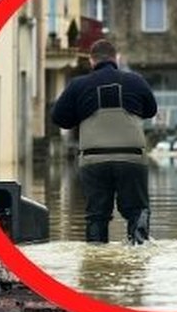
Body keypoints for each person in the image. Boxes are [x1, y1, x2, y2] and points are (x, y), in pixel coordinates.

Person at [51, 39, 157, 244]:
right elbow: (151, 110)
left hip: (94, 160)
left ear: (91, 61)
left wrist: (80, 115)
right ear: (116, 58)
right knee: (137, 211)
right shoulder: (136, 81)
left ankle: (96, 257)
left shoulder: (78, 85)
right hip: (132, 159)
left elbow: (58, 118)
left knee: (97, 216)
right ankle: (139, 251)